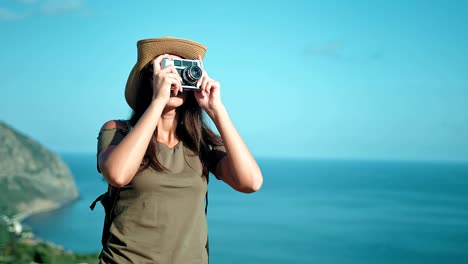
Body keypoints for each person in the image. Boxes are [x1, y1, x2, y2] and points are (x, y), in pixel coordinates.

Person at [94, 36, 263, 263]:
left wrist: (217, 110)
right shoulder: (119, 131)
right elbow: (117, 174)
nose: (174, 78)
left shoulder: (201, 143)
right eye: (166, 68)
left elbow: (251, 182)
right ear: (149, 79)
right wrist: (157, 102)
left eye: (181, 69)